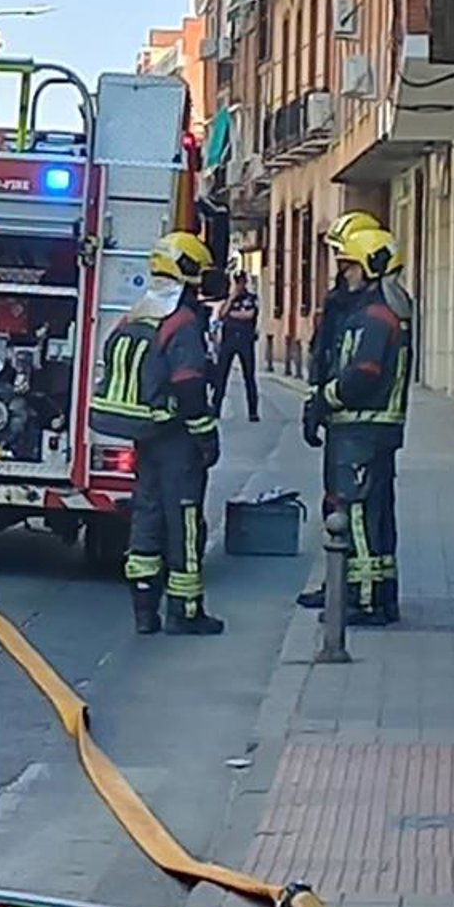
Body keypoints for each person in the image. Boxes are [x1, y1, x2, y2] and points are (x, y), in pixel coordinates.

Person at [92, 232, 226, 637]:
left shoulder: (137, 314)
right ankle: (185, 612)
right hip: (175, 439)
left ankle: (144, 611)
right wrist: (206, 435)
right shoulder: (182, 323)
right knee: (184, 522)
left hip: (146, 436)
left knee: (146, 517)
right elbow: (189, 384)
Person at [296, 212, 410, 625]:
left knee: (356, 512)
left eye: (349, 266)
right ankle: (363, 590)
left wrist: (323, 401)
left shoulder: (376, 316)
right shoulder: (370, 310)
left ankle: (361, 599)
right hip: (362, 428)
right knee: (367, 511)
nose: (343, 274)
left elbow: (362, 373)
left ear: (370, 267)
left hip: (362, 428)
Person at [214, 260, 261, 423]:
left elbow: (249, 315)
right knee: (221, 376)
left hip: (245, 341)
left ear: (245, 282)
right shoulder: (229, 298)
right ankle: (216, 408)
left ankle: (253, 412)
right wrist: (232, 297)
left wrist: (232, 315)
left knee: (249, 377)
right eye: (237, 282)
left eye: (241, 281)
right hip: (228, 341)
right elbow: (221, 314)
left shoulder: (252, 298)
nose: (239, 285)